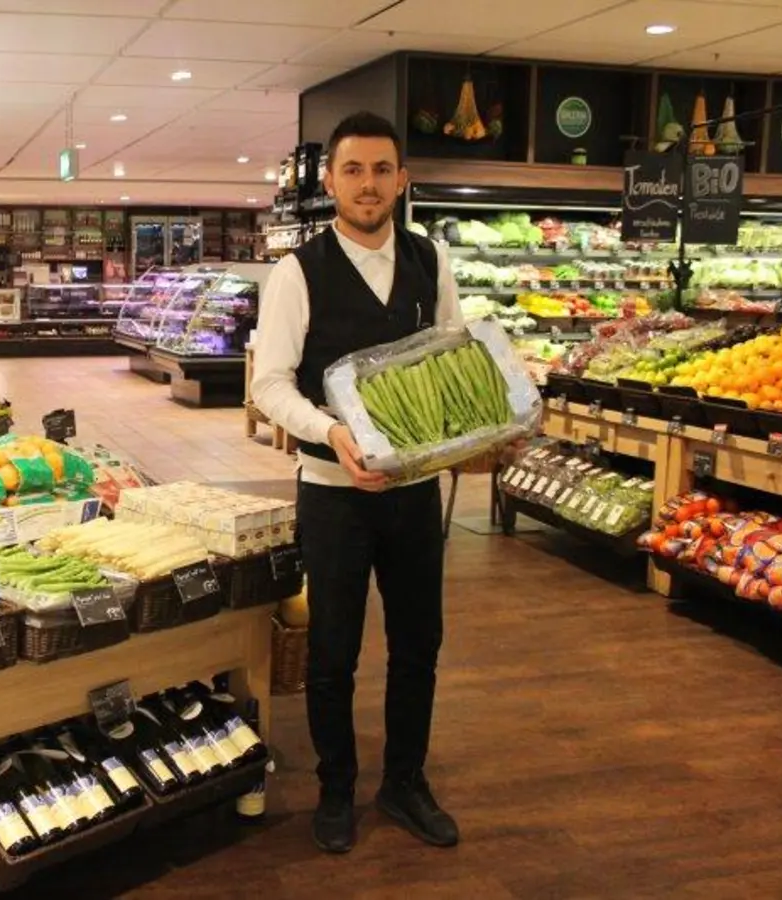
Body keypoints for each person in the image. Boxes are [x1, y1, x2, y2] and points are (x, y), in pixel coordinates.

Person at [250, 111, 462, 854]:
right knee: (333, 651)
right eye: (353, 170)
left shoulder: (431, 260)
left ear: (402, 180)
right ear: (331, 181)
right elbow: (270, 385)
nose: (367, 185)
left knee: (418, 644)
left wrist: (480, 421)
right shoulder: (297, 272)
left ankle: (405, 780)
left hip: (414, 492)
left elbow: (451, 356)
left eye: (380, 170)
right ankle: (336, 788)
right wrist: (330, 433)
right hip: (332, 494)